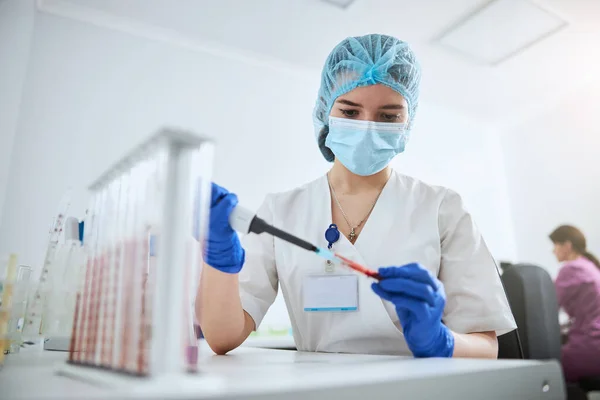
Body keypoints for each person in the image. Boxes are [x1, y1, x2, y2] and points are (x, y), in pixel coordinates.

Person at [196, 34, 516, 358]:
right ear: (326, 112)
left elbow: (486, 347)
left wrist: (440, 341)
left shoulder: (442, 209)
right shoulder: (281, 211)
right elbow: (222, 337)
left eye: (388, 116)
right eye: (350, 112)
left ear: (408, 122)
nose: (368, 127)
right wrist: (219, 255)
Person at [549, 225, 600, 382]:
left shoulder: (572, 269)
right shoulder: (589, 266)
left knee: (546, 371)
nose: (553, 251)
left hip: (590, 345)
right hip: (595, 341)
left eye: (555, 245)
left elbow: (548, 305)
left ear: (567, 245)